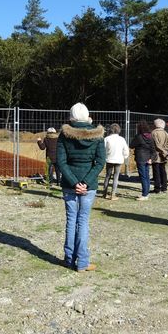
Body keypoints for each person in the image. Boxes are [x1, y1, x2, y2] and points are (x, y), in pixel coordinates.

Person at [56, 102, 105, 272]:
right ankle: (83, 262)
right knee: (83, 221)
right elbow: (100, 162)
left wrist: (75, 183)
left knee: (71, 220)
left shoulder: (64, 135)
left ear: (71, 116)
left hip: (70, 185)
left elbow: (61, 162)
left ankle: (69, 259)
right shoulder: (98, 135)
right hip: (88, 186)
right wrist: (85, 183)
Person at [129, 121, 156, 201]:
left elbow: (131, 145)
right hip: (148, 158)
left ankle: (144, 194)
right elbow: (153, 149)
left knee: (143, 177)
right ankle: (146, 193)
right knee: (146, 176)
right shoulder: (150, 137)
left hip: (140, 158)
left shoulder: (139, 137)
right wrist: (151, 158)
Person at [102, 123, 129, 200]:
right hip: (119, 160)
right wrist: (124, 157)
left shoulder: (106, 139)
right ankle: (113, 194)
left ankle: (104, 193)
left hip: (109, 159)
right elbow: (126, 150)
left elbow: (103, 149)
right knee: (116, 177)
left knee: (107, 176)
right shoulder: (122, 139)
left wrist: (105, 156)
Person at [151, 119, 168, 193]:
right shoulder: (166, 133)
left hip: (156, 155)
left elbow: (157, 145)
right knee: (163, 171)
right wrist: (165, 150)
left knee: (156, 172)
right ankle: (164, 187)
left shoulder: (153, 133)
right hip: (164, 155)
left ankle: (157, 189)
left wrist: (161, 150)